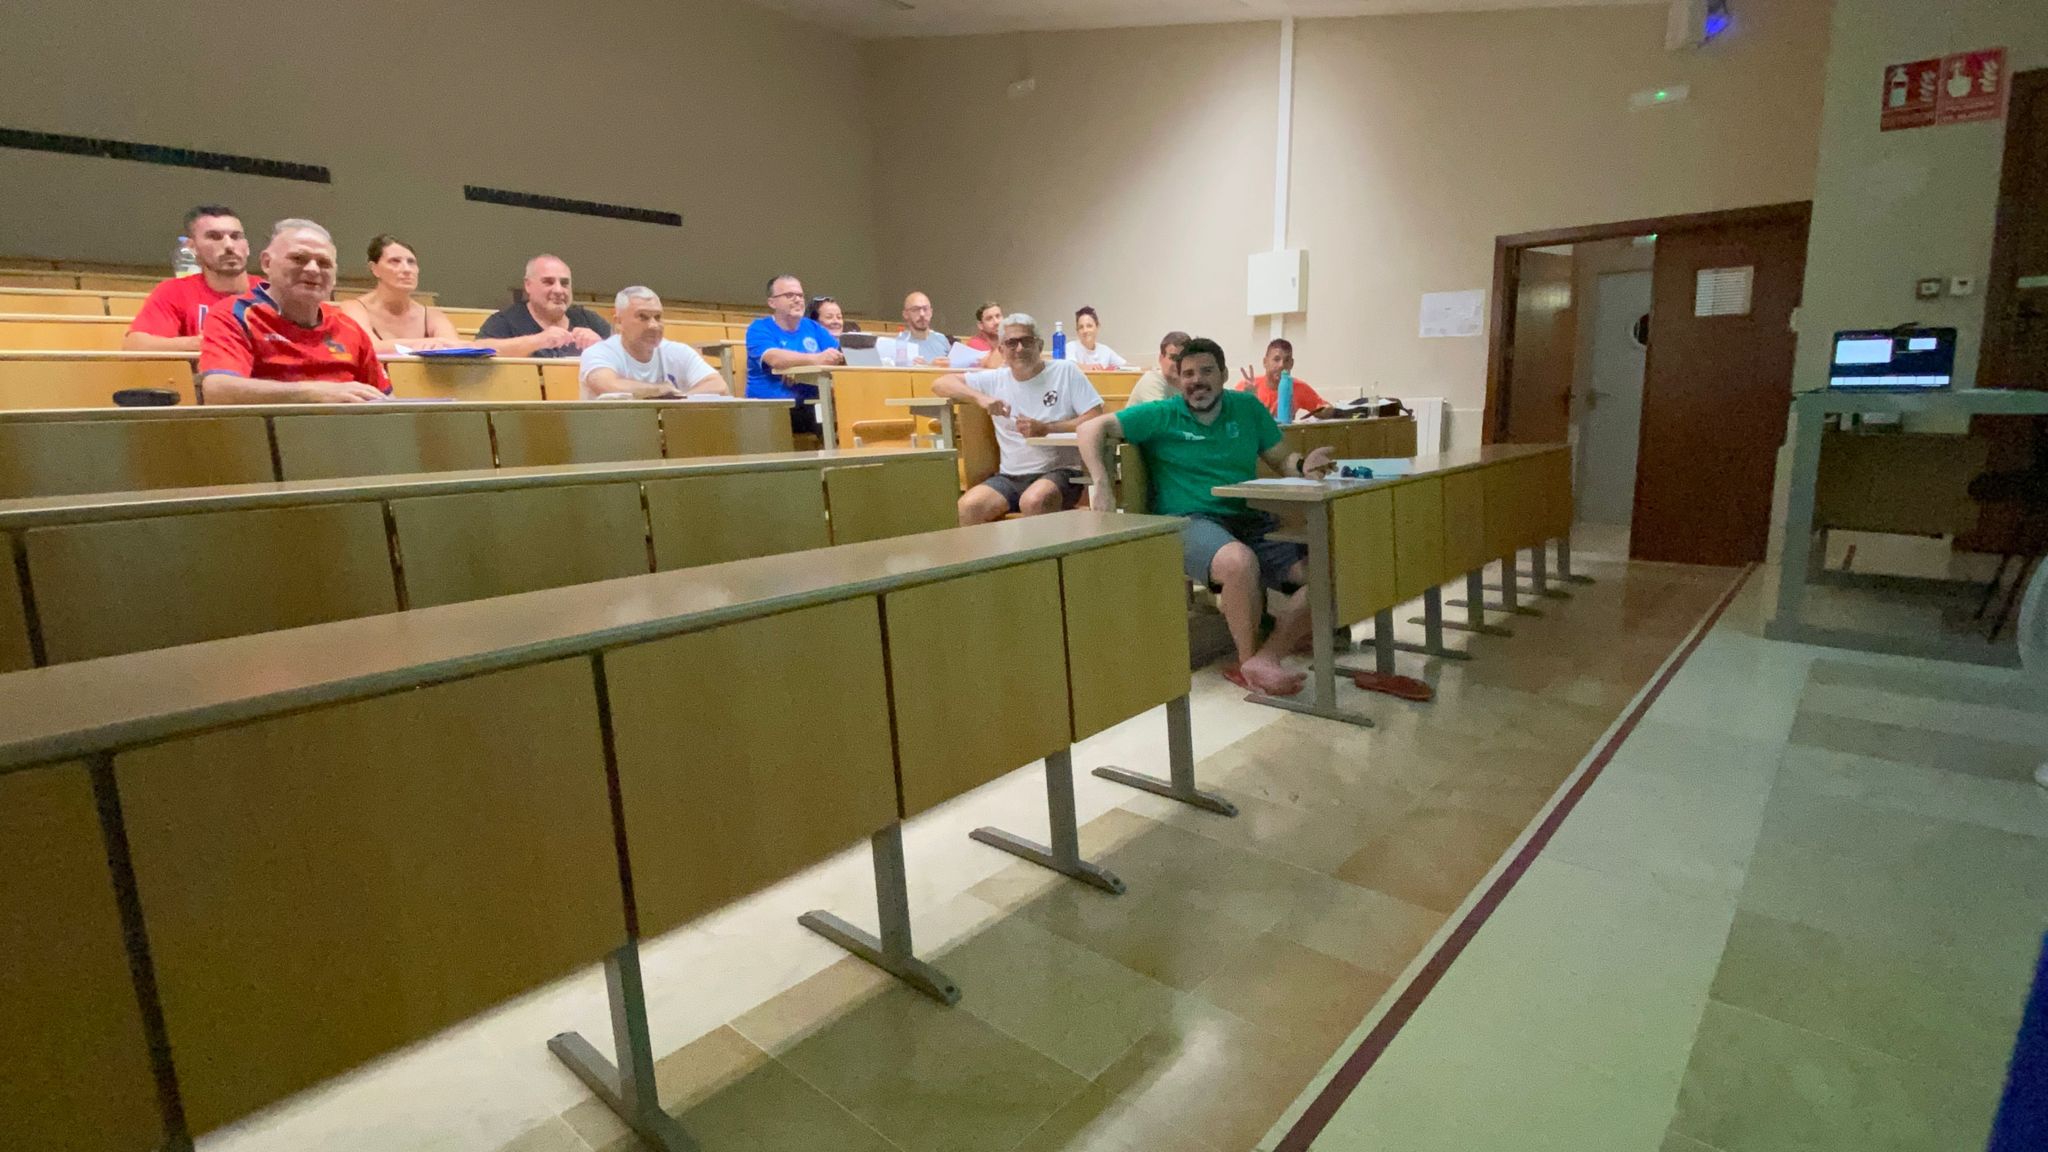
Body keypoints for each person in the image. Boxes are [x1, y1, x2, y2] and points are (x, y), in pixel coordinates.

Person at [1078, 337, 1336, 696]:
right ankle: (1247, 662)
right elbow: (1089, 428)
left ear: (1224, 374)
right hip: (1189, 521)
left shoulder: (1246, 408)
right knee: (1238, 562)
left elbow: (1282, 459)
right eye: (1188, 374)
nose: (1196, 380)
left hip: (1247, 517)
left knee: (1326, 572)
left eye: (1206, 371)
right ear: (1177, 379)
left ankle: (1267, 657)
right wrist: (1102, 484)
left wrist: (1304, 466)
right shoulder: (1163, 413)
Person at [196, 219, 390, 404]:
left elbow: (386, 399)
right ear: (267, 263)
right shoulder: (234, 314)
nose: (313, 269)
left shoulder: (347, 327)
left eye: (324, 263)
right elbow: (218, 391)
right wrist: (315, 393)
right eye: (298, 259)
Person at [934, 313, 1104, 524]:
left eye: (1027, 341)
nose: (1020, 349)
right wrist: (980, 398)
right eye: (1012, 343)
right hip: (1010, 476)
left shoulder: (1065, 371)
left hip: (1061, 472)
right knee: (967, 508)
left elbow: (1095, 417)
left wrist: (1048, 428)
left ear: (1039, 346)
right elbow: (940, 383)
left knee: (1034, 501)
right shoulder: (995, 379)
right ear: (1001, 350)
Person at [123, 205, 250, 352]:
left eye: (235, 237)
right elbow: (135, 346)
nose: (229, 245)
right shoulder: (175, 291)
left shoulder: (269, 292)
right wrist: (202, 343)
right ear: (192, 247)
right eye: (214, 237)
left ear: (247, 246)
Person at [580, 287, 729, 399]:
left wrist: (679, 400)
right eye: (643, 317)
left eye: (658, 317)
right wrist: (660, 390)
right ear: (619, 322)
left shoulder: (678, 352)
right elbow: (608, 385)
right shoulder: (598, 352)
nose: (653, 325)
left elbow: (719, 386)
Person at [746, 274, 843, 438]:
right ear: (772, 302)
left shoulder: (813, 327)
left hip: (812, 404)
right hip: (773, 409)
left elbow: (839, 356)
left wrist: (797, 366)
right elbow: (775, 358)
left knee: (841, 412)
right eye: (789, 295)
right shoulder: (759, 328)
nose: (797, 300)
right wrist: (815, 359)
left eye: (800, 295)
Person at [337, 235, 461, 353]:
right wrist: (427, 344)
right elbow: (368, 347)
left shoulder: (432, 316)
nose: (407, 269)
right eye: (394, 261)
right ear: (374, 268)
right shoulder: (353, 308)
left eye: (411, 262)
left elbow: (455, 347)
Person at [473, 255, 610, 357]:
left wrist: (601, 346)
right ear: (528, 285)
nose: (559, 290)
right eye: (548, 282)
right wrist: (538, 341)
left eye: (564, 283)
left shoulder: (590, 321)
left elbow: (621, 355)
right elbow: (478, 349)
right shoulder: (505, 321)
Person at [1237, 338, 1336, 420]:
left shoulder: (1298, 387)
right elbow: (1233, 420)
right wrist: (1249, 399)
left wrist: (1326, 411)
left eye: (1287, 360)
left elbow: (1324, 409)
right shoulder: (1247, 386)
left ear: (1291, 364)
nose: (1281, 365)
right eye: (1276, 359)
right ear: (1265, 362)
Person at [1126, 330, 1190, 406]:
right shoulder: (1152, 380)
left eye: (1183, 358)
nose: (1178, 363)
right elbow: (1160, 412)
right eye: (1173, 357)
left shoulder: (1188, 383)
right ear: (1161, 358)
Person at [1063, 306, 1130, 369]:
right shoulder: (1070, 347)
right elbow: (1069, 366)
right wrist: (1089, 367)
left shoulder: (1105, 350)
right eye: (1081, 327)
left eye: (1089, 326)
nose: (1085, 330)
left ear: (1097, 327)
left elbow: (1126, 366)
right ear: (1077, 331)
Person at [895, 291, 949, 363]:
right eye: (915, 309)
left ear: (931, 312)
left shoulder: (942, 339)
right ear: (905, 314)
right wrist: (929, 367)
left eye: (925, 309)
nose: (922, 314)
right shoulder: (900, 342)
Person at [947, 301, 1005, 368]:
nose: (996, 322)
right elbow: (993, 365)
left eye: (998, 316)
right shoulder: (974, 343)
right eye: (989, 319)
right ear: (980, 325)